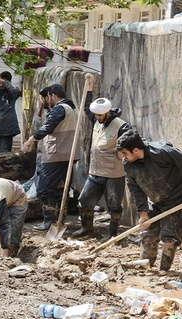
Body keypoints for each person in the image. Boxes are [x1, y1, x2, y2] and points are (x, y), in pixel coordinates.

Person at [116, 129, 182, 271]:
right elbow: (135, 188)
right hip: (155, 196)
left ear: (135, 150)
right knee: (148, 232)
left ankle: (164, 271)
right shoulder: (128, 164)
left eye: (125, 153)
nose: (123, 157)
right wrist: (143, 214)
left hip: (177, 194)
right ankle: (145, 265)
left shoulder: (162, 152)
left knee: (170, 235)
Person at [72, 73, 132, 238]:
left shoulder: (121, 126)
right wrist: (89, 88)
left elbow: (133, 140)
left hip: (114, 173)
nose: (97, 118)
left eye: (100, 115)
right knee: (84, 201)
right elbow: (86, 107)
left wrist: (121, 153)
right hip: (95, 172)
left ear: (107, 113)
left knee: (114, 204)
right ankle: (87, 229)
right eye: (96, 115)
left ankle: (113, 234)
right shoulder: (96, 118)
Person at [21, 84, 80, 231]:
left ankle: (49, 221)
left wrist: (30, 140)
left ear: (52, 95)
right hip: (66, 154)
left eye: (47, 98)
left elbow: (48, 127)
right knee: (59, 188)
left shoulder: (60, 109)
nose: (46, 102)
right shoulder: (70, 108)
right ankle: (59, 221)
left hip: (57, 154)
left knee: (44, 189)